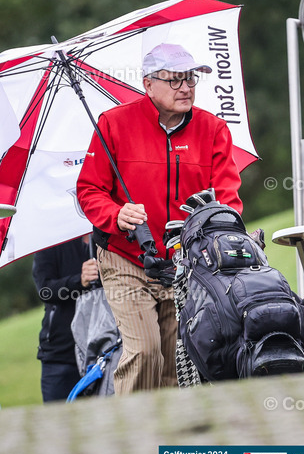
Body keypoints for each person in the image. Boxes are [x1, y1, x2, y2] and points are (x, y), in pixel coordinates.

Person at [75, 43, 243, 394]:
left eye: (190, 78)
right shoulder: (113, 124)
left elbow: (227, 200)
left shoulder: (213, 129)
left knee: (175, 362)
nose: (185, 88)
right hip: (125, 257)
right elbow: (89, 190)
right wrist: (117, 213)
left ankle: (166, 429)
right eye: (175, 80)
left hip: (186, 264)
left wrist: (219, 235)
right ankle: (132, 427)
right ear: (148, 84)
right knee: (145, 351)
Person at [31, 234, 100, 402]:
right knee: (58, 417)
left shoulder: (106, 237)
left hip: (104, 351)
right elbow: (45, 290)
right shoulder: (49, 240)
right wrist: (80, 281)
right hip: (61, 356)